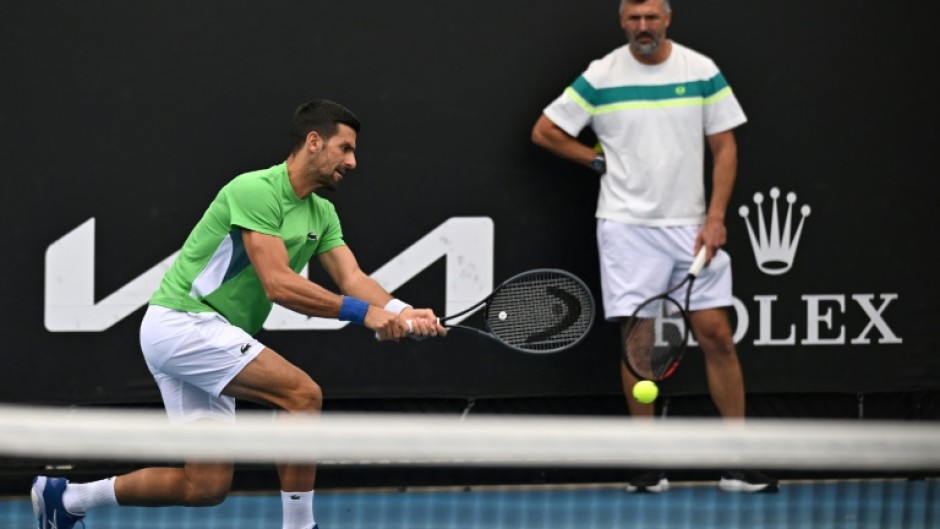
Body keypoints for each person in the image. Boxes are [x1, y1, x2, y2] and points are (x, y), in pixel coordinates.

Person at [31, 99, 448, 529]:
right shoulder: (255, 190)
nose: (353, 161)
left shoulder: (322, 213)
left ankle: (69, 497)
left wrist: (401, 311)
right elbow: (278, 284)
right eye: (345, 148)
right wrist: (365, 315)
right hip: (183, 323)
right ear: (313, 142)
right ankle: (301, 526)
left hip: (204, 334)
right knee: (302, 395)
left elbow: (353, 277)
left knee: (205, 486)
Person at [531, 0, 777, 493]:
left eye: (652, 17)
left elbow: (725, 146)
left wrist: (715, 218)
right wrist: (596, 161)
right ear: (622, 22)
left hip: (692, 228)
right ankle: (648, 463)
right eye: (634, 18)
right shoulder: (601, 75)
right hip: (626, 228)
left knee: (717, 336)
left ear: (668, 19)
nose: (643, 27)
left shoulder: (701, 69)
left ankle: (738, 460)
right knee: (640, 346)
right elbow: (545, 132)